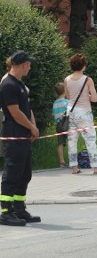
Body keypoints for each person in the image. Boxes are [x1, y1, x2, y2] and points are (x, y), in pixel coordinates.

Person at [0, 51, 41, 226]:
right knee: (13, 172)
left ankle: (18, 208)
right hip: (14, 132)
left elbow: (26, 108)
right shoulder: (8, 84)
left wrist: (33, 126)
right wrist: (31, 127)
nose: (30, 67)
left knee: (25, 173)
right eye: (29, 64)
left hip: (23, 133)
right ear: (23, 64)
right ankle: (5, 212)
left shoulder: (20, 85)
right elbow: (15, 113)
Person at [65, 54, 97, 174]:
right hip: (84, 112)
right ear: (83, 65)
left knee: (72, 139)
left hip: (70, 111)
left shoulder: (66, 79)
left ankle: (74, 167)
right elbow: (94, 99)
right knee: (90, 139)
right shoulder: (87, 80)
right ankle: (96, 167)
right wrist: (86, 96)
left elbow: (68, 96)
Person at [52, 82, 69, 168]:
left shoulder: (55, 103)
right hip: (67, 124)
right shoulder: (67, 102)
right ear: (65, 90)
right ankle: (72, 160)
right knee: (71, 141)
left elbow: (54, 115)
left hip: (58, 125)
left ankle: (61, 162)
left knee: (60, 143)